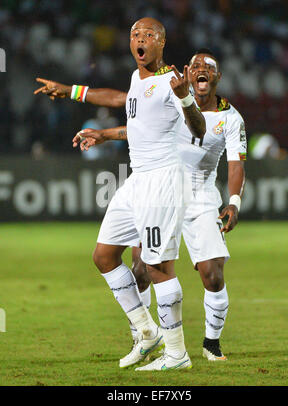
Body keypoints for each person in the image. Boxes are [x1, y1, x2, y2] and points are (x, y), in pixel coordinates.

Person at [35, 17, 206, 371]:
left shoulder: (170, 83)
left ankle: (177, 353)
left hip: (161, 181)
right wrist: (74, 95)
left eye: (148, 35)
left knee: (157, 266)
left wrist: (186, 96)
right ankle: (147, 332)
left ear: (161, 43)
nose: (139, 39)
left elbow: (198, 127)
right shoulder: (137, 79)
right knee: (104, 256)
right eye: (134, 34)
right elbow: (126, 104)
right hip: (136, 181)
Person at [71, 49, 247, 362]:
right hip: (162, 188)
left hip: (201, 196)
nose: (201, 70)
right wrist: (106, 134)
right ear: (187, 74)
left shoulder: (231, 118)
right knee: (142, 267)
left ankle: (210, 342)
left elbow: (235, 165)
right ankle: (144, 335)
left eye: (209, 67)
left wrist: (233, 202)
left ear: (218, 77)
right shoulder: (170, 97)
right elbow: (139, 128)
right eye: (195, 66)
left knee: (212, 275)